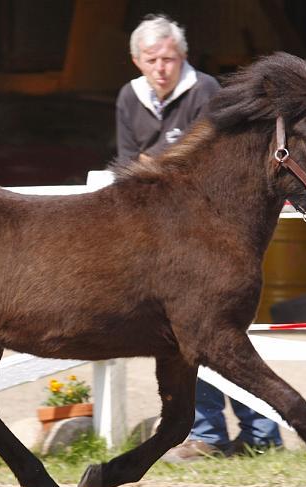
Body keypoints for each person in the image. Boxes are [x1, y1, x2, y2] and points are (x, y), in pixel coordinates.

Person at [116, 14, 282, 461]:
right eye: (151, 59)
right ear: (137, 61)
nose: (160, 67)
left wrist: (159, 164)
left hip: (206, 227)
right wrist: (160, 167)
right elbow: (128, 165)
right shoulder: (129, 98)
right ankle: (216, 432)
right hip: (159, 229)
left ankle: (249, 431)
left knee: (214, 332)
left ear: (181, 57)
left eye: (168, 58)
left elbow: (210, 159)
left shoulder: (205, 91)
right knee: (195, 334)